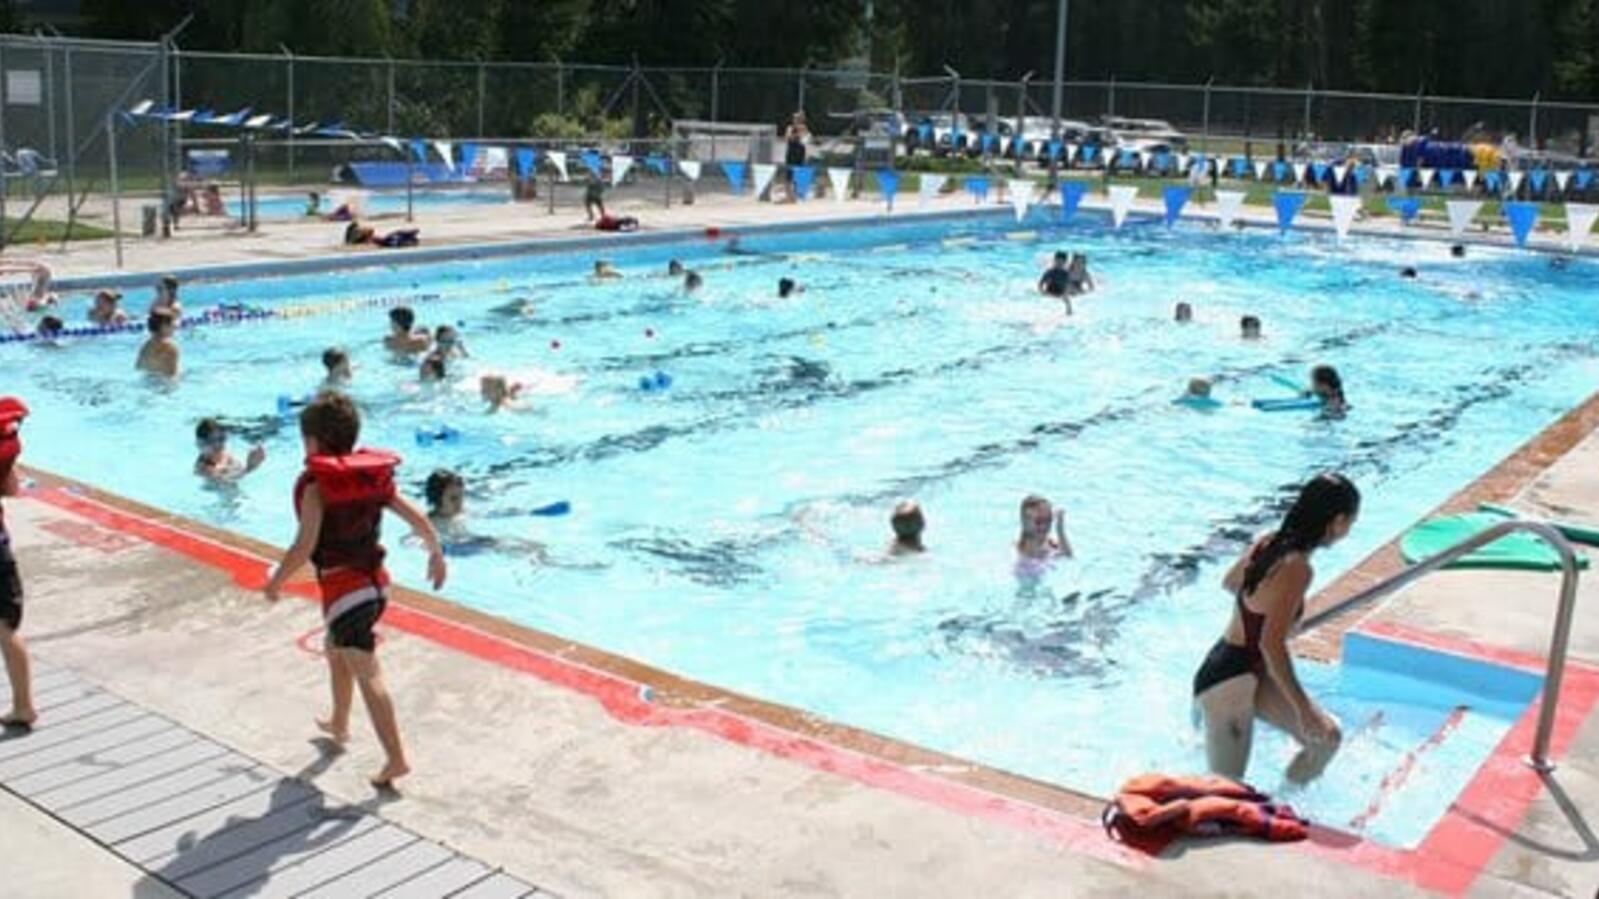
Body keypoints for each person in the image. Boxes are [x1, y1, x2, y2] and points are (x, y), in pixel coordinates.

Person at [263, 391, 446, 789]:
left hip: (347, 594)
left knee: (368, 670)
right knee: (335, 648)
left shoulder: (317, 487)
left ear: (311, 442)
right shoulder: (368, 477)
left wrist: (277, 581)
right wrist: (435, 551)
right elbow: (415, 516)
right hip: (376, 584)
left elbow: (304, 546)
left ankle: (396, 758)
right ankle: (340, 723)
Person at [1194, 473, 1358, 783]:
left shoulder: (1269, 543)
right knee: (1226, 791)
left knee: (1325, 739)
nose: (1347, 530)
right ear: (1337, 521)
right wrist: (1304, 709)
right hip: (1229, 679)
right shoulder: (1297, 569)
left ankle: (1279, 806)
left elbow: (1231, 584)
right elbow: (1271, 646)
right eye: (1350, 523)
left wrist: (1273, 614)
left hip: (1245, 668)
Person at [0, 397, 35, 731]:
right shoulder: (8, 453)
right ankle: (23, 705)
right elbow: (12, 490)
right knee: (7, 631)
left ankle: (24, 708)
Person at [194, 417, 266, 483]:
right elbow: (224, 481)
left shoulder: (225, 455)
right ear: (200, 444)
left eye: (221, 439)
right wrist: (250, 467)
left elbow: (237, 469)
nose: (217, 445)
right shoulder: (203, 467)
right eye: (211, 441)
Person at [1016, 494, 1073, 561]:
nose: (1044, 526)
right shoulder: (1025, 545)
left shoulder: (1051, 544)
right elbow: (1033, 551)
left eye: (1048, 520)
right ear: (1026, 522)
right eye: (1038, 521)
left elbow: (1068, 557)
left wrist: (1059, 529)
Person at [136, 309, 180, 377]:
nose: (175, 327)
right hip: (164, 383)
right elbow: (173, 374)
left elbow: (138, 367)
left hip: (148, 381)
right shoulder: (171, 347)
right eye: (173, 324)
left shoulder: (146, 345)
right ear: (164, 326)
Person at [781, 112, 809, 203]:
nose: (796, 121)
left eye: (798, 119)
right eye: (795, 119)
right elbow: (787, 138)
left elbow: (806, 140)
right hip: (791, 153)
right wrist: (796, 135)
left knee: (798, 175)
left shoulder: (804, 128)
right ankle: (789, 196)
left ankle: (796, 195)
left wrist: (799, 135)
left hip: (799, 154)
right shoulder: (790, 128)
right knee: (788, 175)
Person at [345, 220, 420, 249]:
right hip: (385, 241)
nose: (363, 228)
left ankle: (410, 236)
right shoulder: (365, 239)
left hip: (386, 240)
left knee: (397, 234)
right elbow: (371, 231)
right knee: (397, 235)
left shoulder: (365, 237)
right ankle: (409, 237)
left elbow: (371, 230)